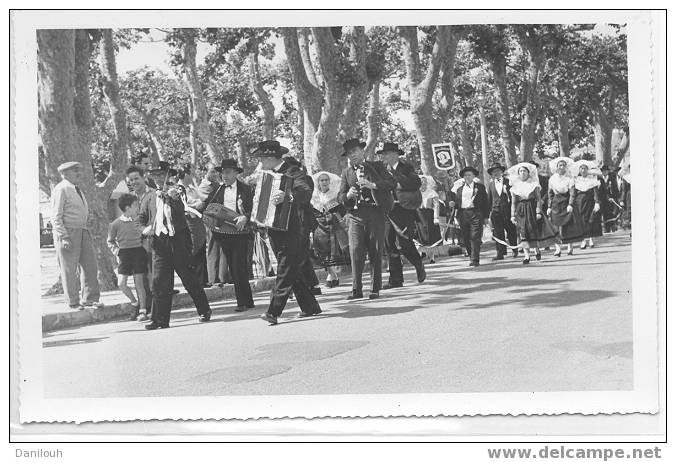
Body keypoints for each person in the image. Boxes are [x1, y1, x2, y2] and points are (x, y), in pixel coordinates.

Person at [140, 162, 212, 330]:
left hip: (178, 242)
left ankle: (204, 309)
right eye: (155, 175)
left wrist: (173, 197)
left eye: (161, 174)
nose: (158, 178)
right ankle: (159, 319)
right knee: (159, 282)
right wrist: (145, 229)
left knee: (189, 278)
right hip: (159, 243)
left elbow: (182, 208)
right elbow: (140, 219)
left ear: (168, 175)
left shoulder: (177, 192)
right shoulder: (149, 197)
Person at [256, 140, 321, 325]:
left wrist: (288, 196)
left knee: (285, 269)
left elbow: (306, 191)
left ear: (270, 158)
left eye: (261, 158)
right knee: (292, 269)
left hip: (294, 228)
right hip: (274, 228)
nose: (260, 161)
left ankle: (273, 311)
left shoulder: (293, 171)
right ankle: (310, 306)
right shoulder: (266, 176)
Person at [338, 138, 396, 300]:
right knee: (355, 251)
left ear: (362, 151)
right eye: (349, 154)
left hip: (375, 213)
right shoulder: (346, 172)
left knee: (375, 250)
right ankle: (356, 289)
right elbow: (340, 196)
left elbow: (391, 183)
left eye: (355, 151)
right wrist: (348, 195)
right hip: (355, 215)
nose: (352, 155)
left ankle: (375, 288)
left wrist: (373, 185)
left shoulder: (377, 166)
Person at [199, 158, 255, 312]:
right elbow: (207, 206)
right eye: (223, 173)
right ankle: (247, 300)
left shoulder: (246, 189)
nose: (225, 175)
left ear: (236, 173)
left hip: (241, 232)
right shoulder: (217, 189)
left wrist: (246, 217)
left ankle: (242, 301)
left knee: (239, 266)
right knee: (233, 266)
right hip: (223, 233)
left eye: (228, 172)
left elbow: (254, 208)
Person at [51, 161, 102, 310]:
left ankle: (90, 299)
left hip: (83, 230)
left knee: (90, 266)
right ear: (65, 174)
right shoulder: (61, 189)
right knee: (69, 268)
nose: (78, 173)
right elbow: (56, 216)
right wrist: (64, 236)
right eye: (74, 171)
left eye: (78, 170)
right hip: (68, 231)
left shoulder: (76, 188)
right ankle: (73, 302)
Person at [378, 142, 425, 290]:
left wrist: (395, 177)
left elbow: (416, 182)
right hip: (386, 210)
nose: (383, 157)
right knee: (389, 245)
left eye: (385, 154)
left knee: (404, 243)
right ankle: (395, 279)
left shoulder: (406, 168)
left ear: (394, 154)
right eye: (382, 154)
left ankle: (418, 263)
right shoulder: (380, 170)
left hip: (402, 209)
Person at [107, 193, 148, 320]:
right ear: (127, 208)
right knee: (121, 283)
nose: (138, 208)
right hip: (124, 254)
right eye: (135, 206)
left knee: (139, 283)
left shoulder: (138, 221)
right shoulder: (115, 224)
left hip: (138, 253)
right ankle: (134, 303)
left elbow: (145, 236)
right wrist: (117, 251)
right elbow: (110, 241)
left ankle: (143, 310)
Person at [508, 163, 558, 264]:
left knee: (533, 230)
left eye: (524, 171)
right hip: (521, 209)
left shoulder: (533, 185)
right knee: (523, 232)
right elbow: (513, 202)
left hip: (532, 207)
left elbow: (538, 199)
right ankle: (527, 256)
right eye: (521, 171)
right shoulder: (515, 187)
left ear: (528, 173)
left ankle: (536, 249)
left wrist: (538, 211)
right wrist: (512, 215)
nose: (523, 173)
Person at [310, 171, 349, 288]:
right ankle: (332, 274)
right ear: (318, 182)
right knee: (322, 250)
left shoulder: (335, 195)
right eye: (322, 180)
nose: (324, 182)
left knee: (333, 250)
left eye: (326, 180)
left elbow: (342, 210)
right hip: (319, 226)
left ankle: (333, 276)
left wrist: (335, 216)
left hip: (333, 225)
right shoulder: (314, 197)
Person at [176, 166, 209, 288]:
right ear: (185, 175)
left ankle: (203, 279)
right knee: (193, 248)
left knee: (200, 248)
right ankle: (194, 280)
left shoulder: (190, 188)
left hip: (198, 221)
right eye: (190, 174)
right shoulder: (179, 189)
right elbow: (184, 205)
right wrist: (197, 205)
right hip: (190, 220)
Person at [547, 157, 584, 257]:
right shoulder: (552, 179)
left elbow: (572, 192)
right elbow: (550, 194)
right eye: (560, 165)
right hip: (556, 203)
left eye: (564, 165)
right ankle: (558, 248)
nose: (562, 167)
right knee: (555, 225)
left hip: (566, 201)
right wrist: (549, 206)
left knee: (568, 225)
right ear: (557, 167)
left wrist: (570, 204)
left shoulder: (569, 178)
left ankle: (569, 246)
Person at [454, 166, 490, 267]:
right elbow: (458, 204)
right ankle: (471, 255)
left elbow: (485, 202)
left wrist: (486, 216)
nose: (467, 177)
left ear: (473, 176)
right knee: (466, 237)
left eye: (469, 175)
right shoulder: (459, 189)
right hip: (463, 214)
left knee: (475, 237)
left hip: (476, 213)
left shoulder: (480, 187)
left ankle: (475, 259)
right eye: (465, 175)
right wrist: (453, 204)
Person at [486, 163, 518, 260]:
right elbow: (489, 200)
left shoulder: (509, 182)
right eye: (494, 172)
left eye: (498, 171)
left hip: (507, 210)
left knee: (511, 231)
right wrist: (488, 214)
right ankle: (500, 253)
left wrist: (515, 211)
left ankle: (514, 249)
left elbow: (514, 197)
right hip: (496, 211)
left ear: (502, 172)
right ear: (492, 174)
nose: (496, 173)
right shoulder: (491, 185)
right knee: (498, 233)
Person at [571, 160, 603, 249]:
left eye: (584, 168)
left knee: (590, 219)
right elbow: (573, 193)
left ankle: (591, 239)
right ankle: (583, 240)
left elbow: (595, 192)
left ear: (587, 169)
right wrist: (571, 204)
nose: (583, 170)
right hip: (579, 202)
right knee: (581, 221)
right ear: (579, 170)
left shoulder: (592, 179)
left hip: (589, 201)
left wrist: (597, 202)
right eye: (581, 168)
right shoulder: (576, 180)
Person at [599, 164, 621, 233]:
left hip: (612, 200)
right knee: (605, 213)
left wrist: (614, 197)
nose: (604, 172)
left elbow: (615, 189)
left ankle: (613, 227)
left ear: (608, 171)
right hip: (603, 200)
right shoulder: (599, 179)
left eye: (606, 171)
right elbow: (599, 191)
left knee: (612, 213)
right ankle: (606, 228)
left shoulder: (612, 179)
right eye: (603, 171)